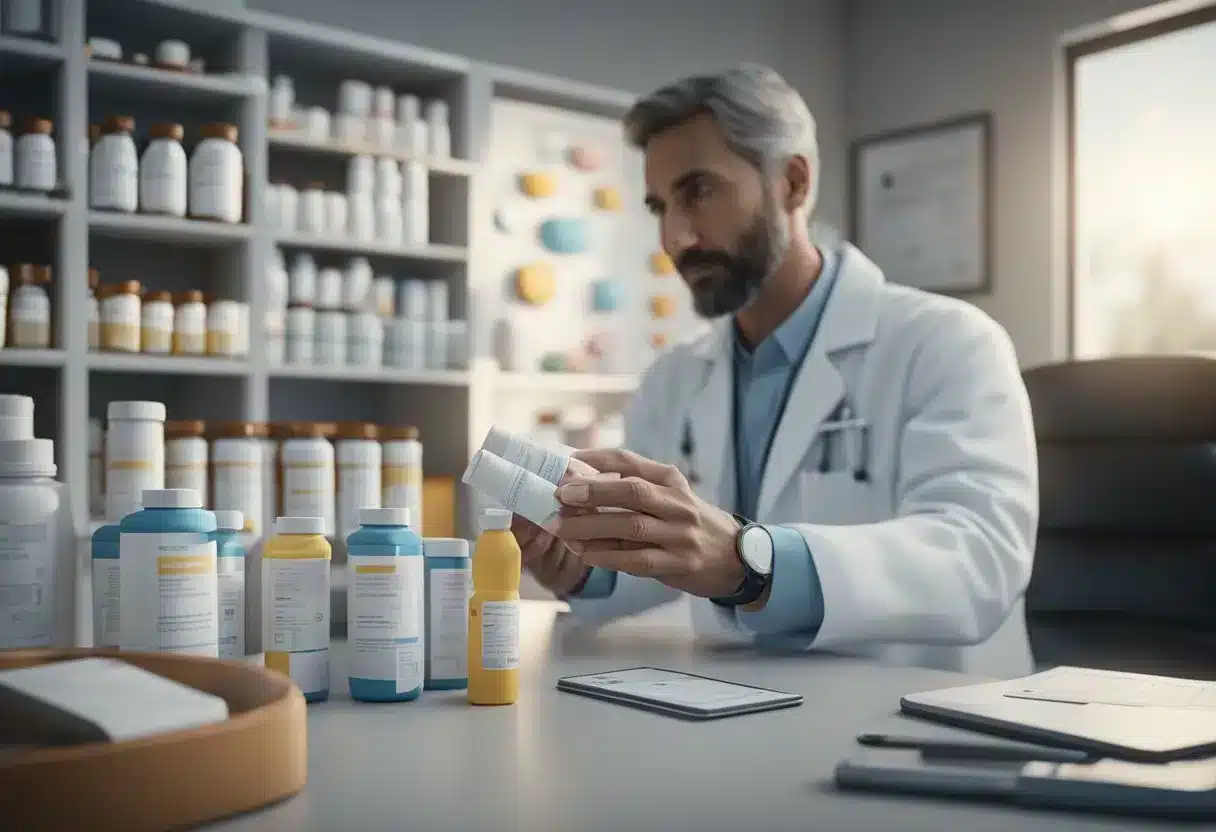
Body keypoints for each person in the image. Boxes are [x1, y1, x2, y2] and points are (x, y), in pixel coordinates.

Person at [513, 64, 1038, 665]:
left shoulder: (948, 343)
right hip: (739, 711)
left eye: (699, 192)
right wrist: (583, 569)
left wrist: (748, 562)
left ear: (792, 182)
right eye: (660, 206)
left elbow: (980, 563)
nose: (677, 237)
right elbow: (672, 561)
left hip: (917, 722)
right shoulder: (675, 379)